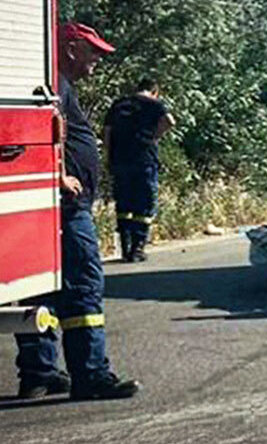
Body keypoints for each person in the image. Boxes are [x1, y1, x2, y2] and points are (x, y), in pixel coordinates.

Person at [14, 22, 140, 400]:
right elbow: (46, 128)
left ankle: (38, 374)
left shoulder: (48, 81)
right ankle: (90, 375)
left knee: (40, 288)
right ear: (70, 48)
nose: (97, 59)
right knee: (84, 284)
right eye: (93, 51)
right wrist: (59, 175)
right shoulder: (54, 82)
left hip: (44, 206)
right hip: (68, 208)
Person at [103, 78, 175, 262]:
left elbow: (107, 132)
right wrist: (155, 137)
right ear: (154, 91)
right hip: (144, 159)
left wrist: (108, 156)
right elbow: (170, 121)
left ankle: (125, 247)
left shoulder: (119, 104)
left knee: (124, 204)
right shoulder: (155, 104)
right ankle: (138, 248)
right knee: (144, 204)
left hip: (120, 160)